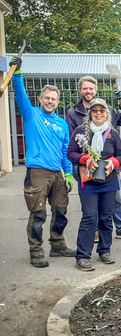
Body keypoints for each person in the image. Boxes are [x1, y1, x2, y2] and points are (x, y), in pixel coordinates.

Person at [10, 57, 75, 268]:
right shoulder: (32, 116)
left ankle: (57, 245)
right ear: (40, 99)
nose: (50, 101)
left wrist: (67, 173)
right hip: (38, 172)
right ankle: (36, 251)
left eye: (53, 99)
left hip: (57, 174)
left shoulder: (62, 124)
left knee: (61, 211)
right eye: (46, 98)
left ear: (58, 101)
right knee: (38, 214)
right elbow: (20, 96)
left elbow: (65, 151)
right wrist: (17, 75)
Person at [65, 76, 121, 241]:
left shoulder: (109, 109)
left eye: (91, 88)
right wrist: (85, 158)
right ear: (80, 91)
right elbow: (72, 140)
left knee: (115, 198)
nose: (88, 91)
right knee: (91, 202)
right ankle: (96, 230)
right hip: (85, 165)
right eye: (85, 88)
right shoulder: (73, 113)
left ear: (95, 90)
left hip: (108, 165)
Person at [67, 98, 121, 271]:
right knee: (89, 217)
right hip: (88, 183)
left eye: (102, 110)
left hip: (109, 181)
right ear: (90, 113)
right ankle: (83, 256)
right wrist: (85, 159)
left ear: (107, 113)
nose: (98, 113)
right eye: (95, 111)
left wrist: (113, 162)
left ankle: (104, 250)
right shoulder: (80, 132)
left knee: (106, 217)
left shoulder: (112, 133)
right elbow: (71, 154)